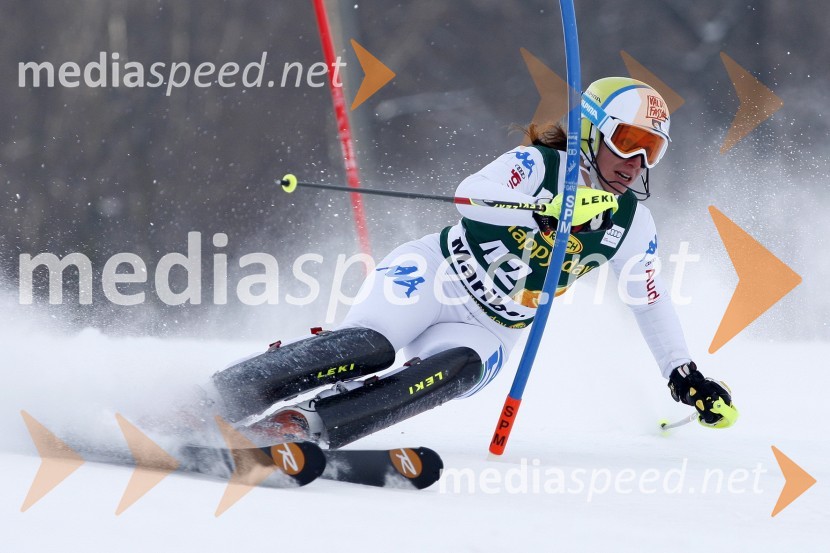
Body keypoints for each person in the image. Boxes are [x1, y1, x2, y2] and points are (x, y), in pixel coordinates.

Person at [207, 77, 738, 449]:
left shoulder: (632, 224)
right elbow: (470, 198)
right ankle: (222, 395)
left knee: (454, 372)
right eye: (628, 142)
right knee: (371, 346)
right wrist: (542, 214)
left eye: (653, 150)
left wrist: (682, 374)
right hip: (435, 278)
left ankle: (304, 423)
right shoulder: (538, 165)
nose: (637, 163)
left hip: (495, 327)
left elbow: (649, 301)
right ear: (595, 130)